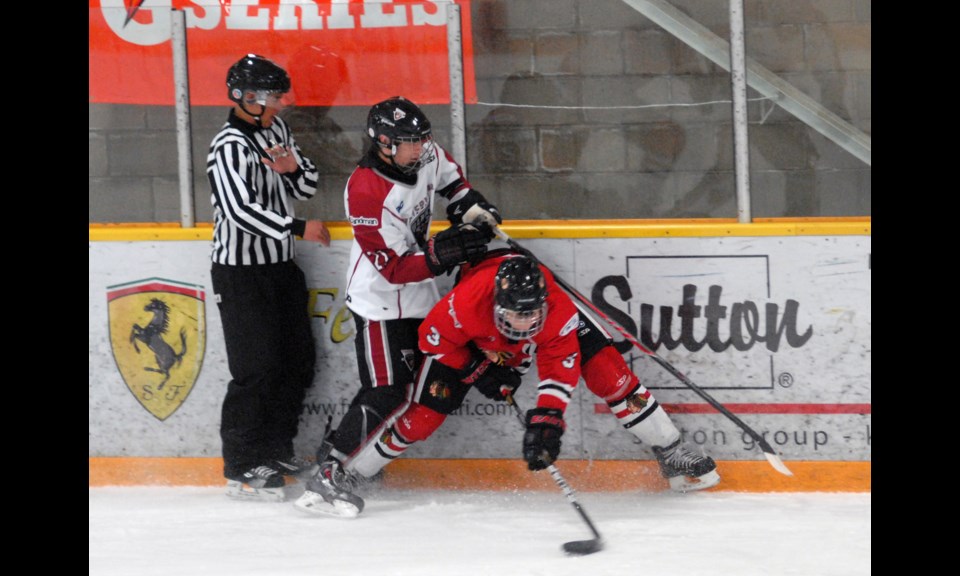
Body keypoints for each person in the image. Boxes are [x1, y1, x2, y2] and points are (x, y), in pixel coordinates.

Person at [296, 251, 721, 517]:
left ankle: (673, 453)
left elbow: (559, 366)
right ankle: (350, 474)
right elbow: (432, 338)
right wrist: (479, 370)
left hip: (540, 324)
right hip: (474, 346)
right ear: (497, 304)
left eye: (530, 315)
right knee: (423, 415)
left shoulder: (553, 310)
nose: (524, 323)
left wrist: (546, 423)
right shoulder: (468, 302)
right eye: (515, 315)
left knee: (609, 372)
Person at [293, 96, 501, 516]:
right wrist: (449, 251)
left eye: (424, 139)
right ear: (384, 143)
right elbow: (393, 269)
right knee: (387, 389)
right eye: (411, 142)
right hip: (379, 301)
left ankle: (350, 459)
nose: (422, 148)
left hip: (421, 295)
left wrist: (472, 208)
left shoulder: (422, 152)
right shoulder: (366, 189)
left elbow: (452, 182)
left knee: (422, 383)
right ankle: (329, 471)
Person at [208, 53, 332, 501]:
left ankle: (276, 448)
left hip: (280, 267)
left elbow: (307, 184)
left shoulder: (276, 130)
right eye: (275, 95)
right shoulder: (228, 147)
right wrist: (298, 228)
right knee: (255, 370)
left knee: (295, 362)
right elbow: (239, 212)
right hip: (241, 275)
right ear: (248, 98)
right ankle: (241, 464)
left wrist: (291, 169)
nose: (283, 102)